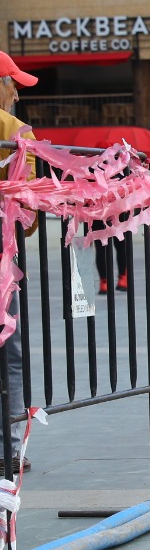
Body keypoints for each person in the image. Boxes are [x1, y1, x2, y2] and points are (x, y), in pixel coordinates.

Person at [0, 54, 38, 472]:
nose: (17, 93)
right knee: (8, 348)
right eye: (13, 84)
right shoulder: (15, 131)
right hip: (1, 250)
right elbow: (26, 213)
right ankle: (8, 448)